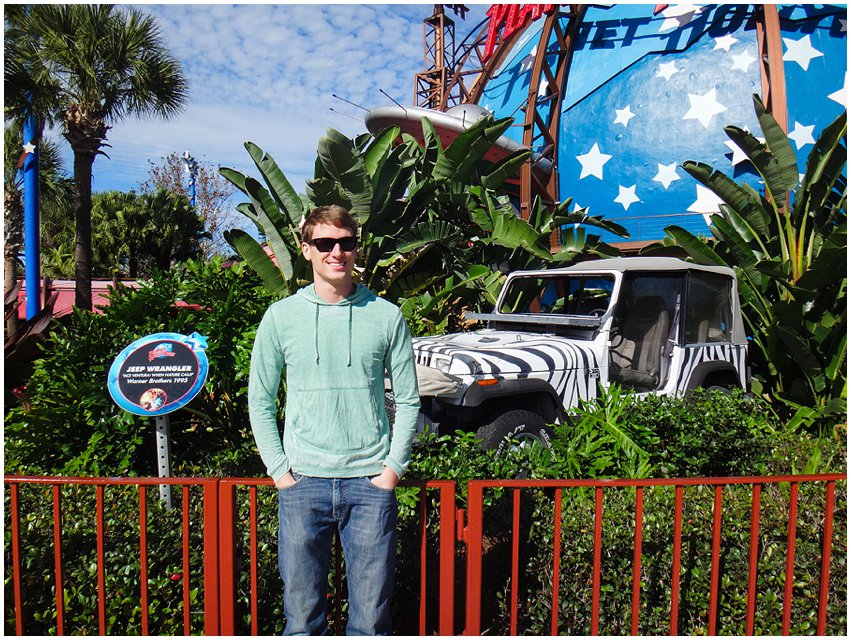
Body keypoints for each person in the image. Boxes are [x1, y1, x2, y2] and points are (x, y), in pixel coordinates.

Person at [248, 205, 420, 635]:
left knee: (370, 622)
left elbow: (410, 399)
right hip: (303, 482)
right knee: (302, 619)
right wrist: (281, 472)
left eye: (346, 242)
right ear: (306, 249)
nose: (336, 252)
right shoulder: (280, 318)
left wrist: (392, 471)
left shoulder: (386, 316)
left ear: (356, 248)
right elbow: (260, 400)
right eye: (325, 243)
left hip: (370, 485)